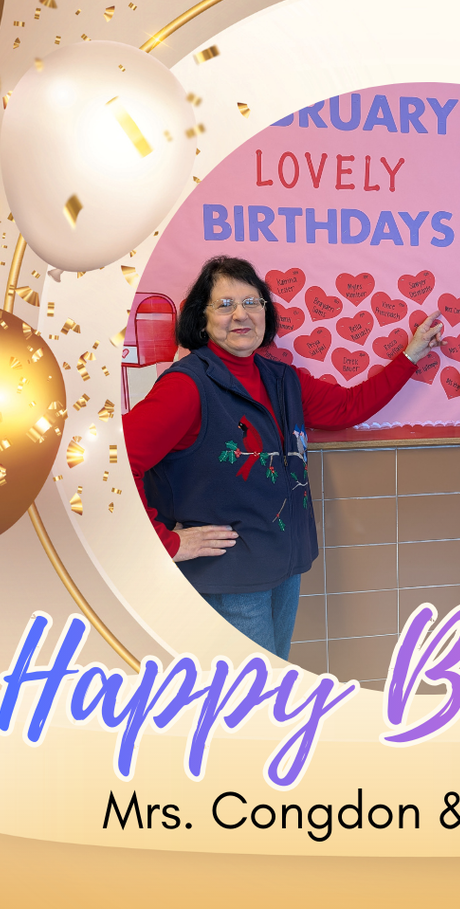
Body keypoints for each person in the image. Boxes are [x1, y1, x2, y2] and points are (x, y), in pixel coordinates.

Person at [124, 255, 443, 660]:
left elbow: (349, 408)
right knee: (247, 696)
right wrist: (165, 544)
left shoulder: (281, 378)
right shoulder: (187, 386)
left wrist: (410, 356)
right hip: (228, 577)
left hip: (279, 567)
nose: (240, 314)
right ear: (200, 320)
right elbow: (119, 463)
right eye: (224, 305)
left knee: (272, 676)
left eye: (252, 302)